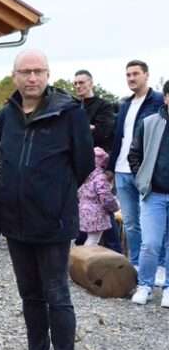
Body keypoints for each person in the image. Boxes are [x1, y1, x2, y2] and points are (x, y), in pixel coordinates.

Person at [0, 49, 93, 350]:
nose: (32, 77)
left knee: (57, 296)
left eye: (38, 71)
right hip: (15, 222)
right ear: (15, 76)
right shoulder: (6, 115)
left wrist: (53, 195)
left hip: (53, 222)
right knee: (30, 295)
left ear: (48, 74)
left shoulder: (69, 113)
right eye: (25, 72)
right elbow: (5, 160)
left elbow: (84, 164)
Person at [109, 60, 165, 276]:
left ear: (146, 75)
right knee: (131, 223)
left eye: (135, 74)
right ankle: (136, 265)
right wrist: (111, 167)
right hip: (122, 171)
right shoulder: (125, 104)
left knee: (154, 223)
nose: (131, 78)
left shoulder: (158, 101)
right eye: (128, 75)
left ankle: (159, 266)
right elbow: (119, 138)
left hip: (146, 173)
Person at [128, 80, 169, 307]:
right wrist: (142, 180)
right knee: (150, 243)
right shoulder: (150, 122)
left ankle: (168, 288)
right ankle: (145, 285)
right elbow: (134, 154)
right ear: (166, 97)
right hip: (154, 194)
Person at [73, 69, 121, 252]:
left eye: (81, 82)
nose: (78, 86)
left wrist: (83, 130)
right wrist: (88, 128)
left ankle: (115, 250)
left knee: (103, 207)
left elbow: (104, 131)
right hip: (78, 166)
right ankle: (82, 247)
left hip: (97, 168)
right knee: (84, 207)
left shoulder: (103, 106)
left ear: (91, 83)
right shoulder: (74, 107)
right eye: (75, 83)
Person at [78, 147, 119, 246]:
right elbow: (105, 197)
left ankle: (74, 253)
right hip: (97, 215)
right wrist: (115, 207)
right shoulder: (100, 178)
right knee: (93, 240)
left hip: (82, 211)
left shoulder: (83, 175)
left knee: (81, 238)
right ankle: (87, 255)